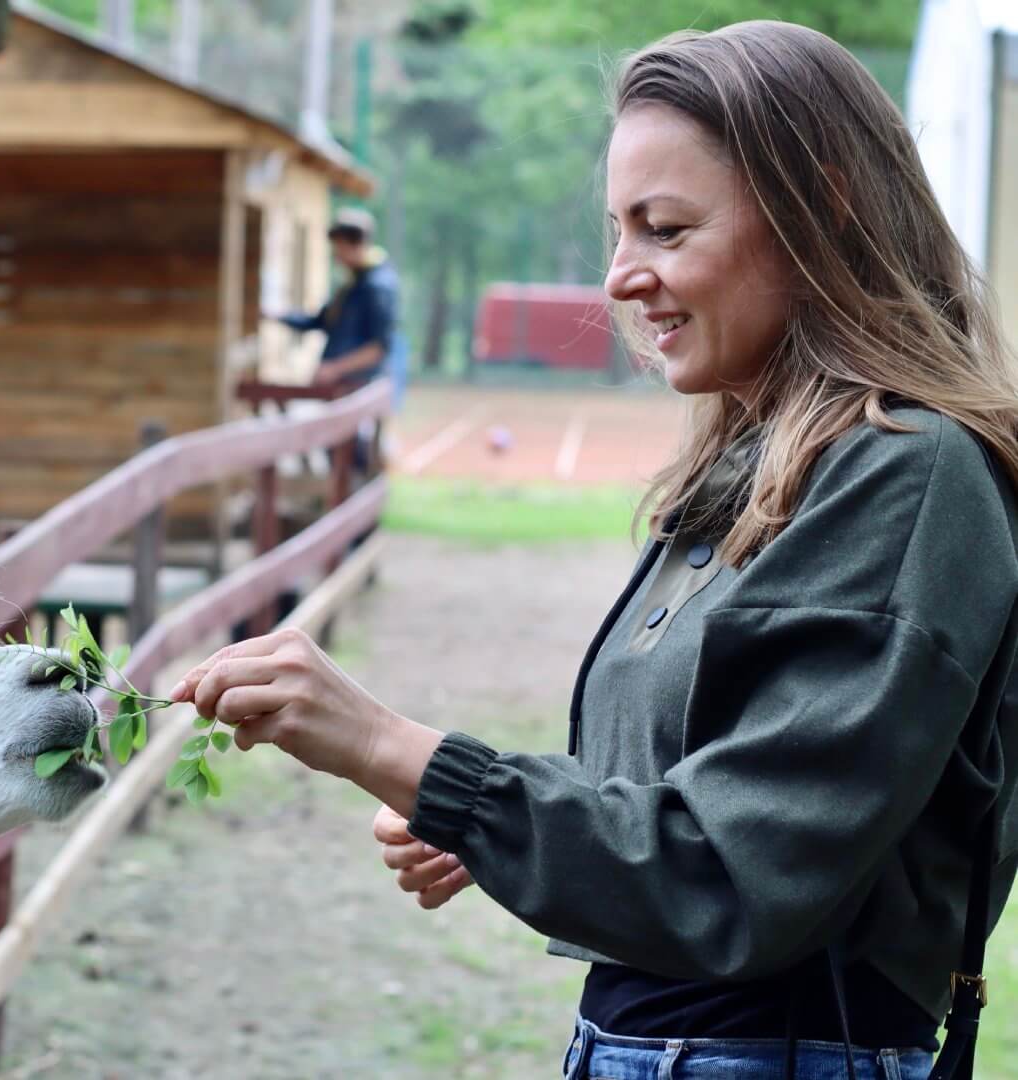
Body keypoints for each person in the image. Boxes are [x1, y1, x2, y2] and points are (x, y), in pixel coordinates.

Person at [171, 20, 1016, 1080]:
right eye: (619, 231)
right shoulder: (756, 462)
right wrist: (504, 822)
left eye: (665, 229)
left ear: (824, 205)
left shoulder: (908, 474)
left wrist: (396, 749)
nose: (621, 278)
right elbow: (715, 787)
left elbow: (734, 876)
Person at [275, 207, 401, 399]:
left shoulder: (378, 286)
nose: (337, 256)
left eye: (340, 248)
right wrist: (278, 315)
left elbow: (378, 348)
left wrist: (334, 369)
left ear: (358, 244)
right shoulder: (353, 284)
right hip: (342, 386)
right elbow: (321, 321)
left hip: (359, 386)